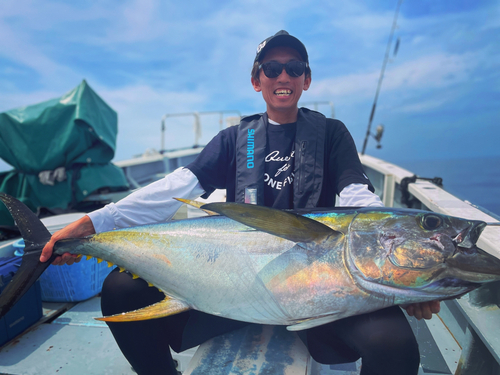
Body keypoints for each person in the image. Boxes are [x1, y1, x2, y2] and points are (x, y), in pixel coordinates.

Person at [41, 30, 440, 375]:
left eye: (294, 67)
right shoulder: (235, 139)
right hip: (237, 281)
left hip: (321, 284)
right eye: (271, 68)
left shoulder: (331, 134)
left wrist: (413, 276)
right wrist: (93, 224)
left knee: (395, 346)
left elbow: (357, 198)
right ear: (257, 81)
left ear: (307, 80)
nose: (283, 75)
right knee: (119, 291)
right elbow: (174, 187)